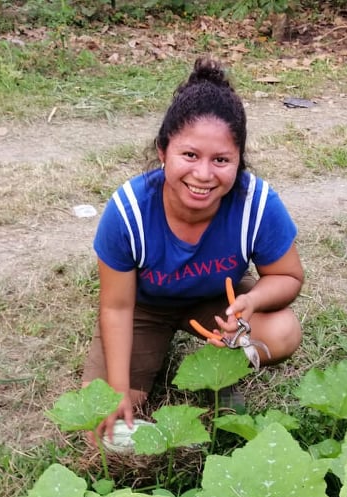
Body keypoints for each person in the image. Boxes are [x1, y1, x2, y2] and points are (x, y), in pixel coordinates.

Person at [82, 56, 305, 442]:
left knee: (283, 331)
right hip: (143, 309)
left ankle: (220, 372)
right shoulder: (128, 210)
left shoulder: (256, 203)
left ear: (239, 160)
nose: (203, 174)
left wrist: (251, 303)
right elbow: (116, 307)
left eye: (221, 160)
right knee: (100, 424)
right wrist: (117, 390)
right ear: (162, 151)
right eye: (189, 155)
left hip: (217, 303)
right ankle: (150, 356)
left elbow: (288, 276)